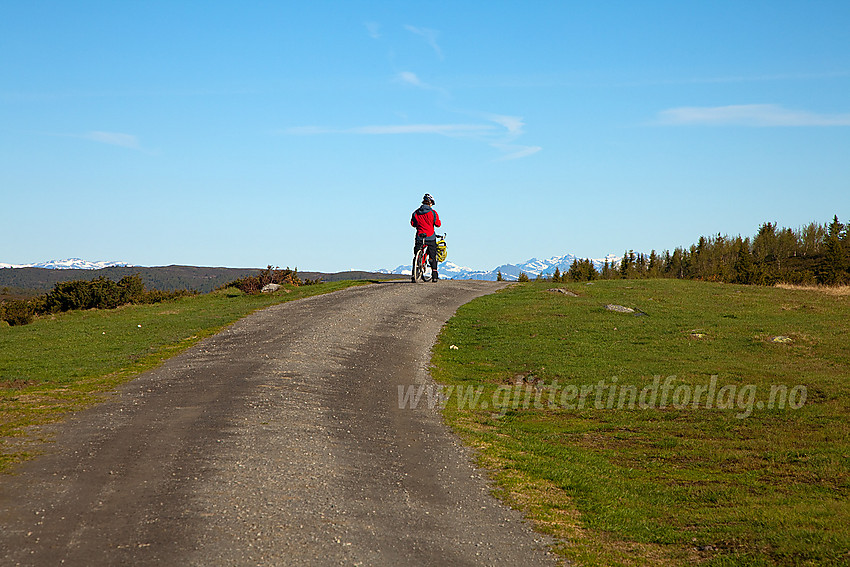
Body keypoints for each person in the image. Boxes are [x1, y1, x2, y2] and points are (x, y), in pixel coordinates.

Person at [411, 193, 441, 281]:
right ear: (430, 203)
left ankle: (414, 274)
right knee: (432, 255)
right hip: (430, 236)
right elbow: (438, 224)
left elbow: (413, 224)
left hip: (419, 236)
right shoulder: (433, 213)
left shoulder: (416, 212)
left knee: (416, 254)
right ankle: (434, 275)